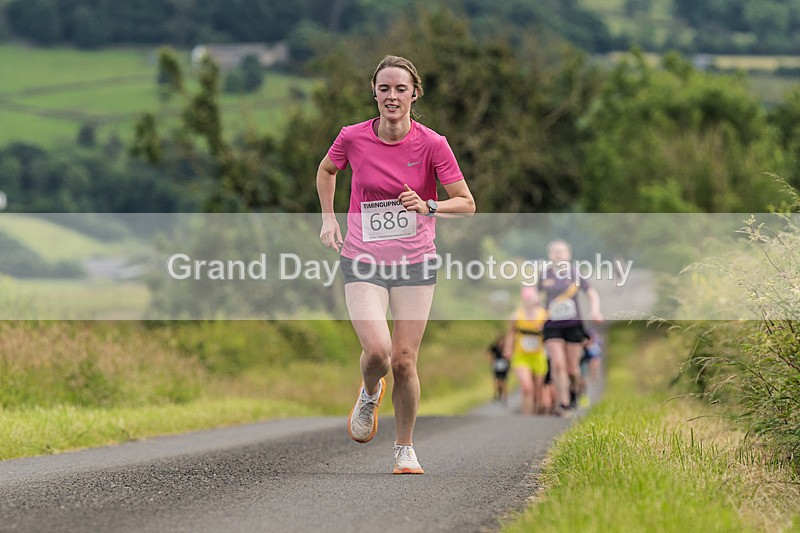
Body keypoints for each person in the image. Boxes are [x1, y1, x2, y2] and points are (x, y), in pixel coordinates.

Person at [316, 55, 475, 475]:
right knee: (379, 350)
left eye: (400, 89)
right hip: (363, 257)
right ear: (374, 92)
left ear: (414, 94)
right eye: (384, 88)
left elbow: (467, 203)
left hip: (416, 261)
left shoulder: (433, 144)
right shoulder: (352, 137)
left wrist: (429, 205)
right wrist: (329, 218)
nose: (391, 96)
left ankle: (404, 448)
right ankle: (370, 392)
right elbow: (327, 170)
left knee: (404, 359)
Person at [537, 240, 603, 416]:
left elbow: (592, 293)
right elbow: (536, 298)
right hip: (552, 325)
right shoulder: (544, 275)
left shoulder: (575, 274)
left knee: (572, 369)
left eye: (561, 251)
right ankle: (564, 403)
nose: (558, 254)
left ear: (568, 255)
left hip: (573, 325)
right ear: (549, 255)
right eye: (554, 251)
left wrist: (595, 310)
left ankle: (576, 389)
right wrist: (537, 313)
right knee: (558, 364)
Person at [504, 286, 549, 415]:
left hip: (539, 355)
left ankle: (536, 413)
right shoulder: (516, 316)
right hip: (521, 356)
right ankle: (527, 415)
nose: (529, 301)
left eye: (531, 298)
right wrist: (508, 349)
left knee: (537, 389)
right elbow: (511, 333)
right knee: (527, 387)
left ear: (537, 299)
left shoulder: (544, 315)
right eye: (526, 298)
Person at [487, 334, 509, 403]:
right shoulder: (494, 347)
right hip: (497, 364)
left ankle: (504, 396)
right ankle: (498, 394)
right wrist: (491, 360)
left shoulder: (506, 347)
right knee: (497, 381)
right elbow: (488, 352)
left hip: (504, 365)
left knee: (504, 381)